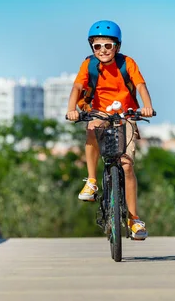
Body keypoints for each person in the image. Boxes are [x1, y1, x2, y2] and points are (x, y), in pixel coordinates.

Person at [66, 20, 155, 240]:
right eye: (98, 46)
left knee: (126, 165)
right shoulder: (88, 65)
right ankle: (92, 181)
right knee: (92, 128)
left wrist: (147, 106)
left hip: (127, 112)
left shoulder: (127, 63)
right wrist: (71, 109)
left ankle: (134, 219)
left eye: (108, 45)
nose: (103, 50)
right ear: (92, 48)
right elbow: (78, 87)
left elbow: (141, 85)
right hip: (99, 111)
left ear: (117, 47)